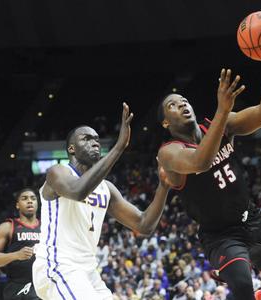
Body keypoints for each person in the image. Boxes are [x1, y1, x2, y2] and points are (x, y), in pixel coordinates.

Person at [156, 26, 261, 300]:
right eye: (173, 105)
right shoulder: (169, 152)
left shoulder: (220, 124)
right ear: (165, 122)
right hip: (219, 234)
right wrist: (222, 110)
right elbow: (201, 161)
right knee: (242, 284)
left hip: (248, 216)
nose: (183, 104)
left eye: (184, 100)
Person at [32, 103, 171, 299]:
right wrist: (119, 147)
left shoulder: (107, 189)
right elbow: (78, 191)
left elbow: (144, 224)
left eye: (97, 140)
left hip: (88, 271)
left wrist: (163, 187)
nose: (95, 143)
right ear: (71, 149)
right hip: (58, 265)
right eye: (86, 139)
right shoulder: (58, 172)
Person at [0, 188, 40, 299]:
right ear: (17, 205)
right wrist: (16, 255)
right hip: (17, 286)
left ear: (37, 203)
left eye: (33, 198)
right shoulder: (7, 227)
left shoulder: (47, 226)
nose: (30, 201)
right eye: (24, 198)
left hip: (43, 285)